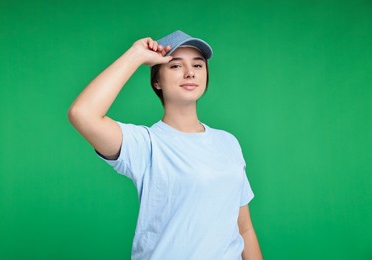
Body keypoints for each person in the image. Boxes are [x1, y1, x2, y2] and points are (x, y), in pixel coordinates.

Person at [68, 30, 263, 260]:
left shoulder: (228, 142)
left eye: (198, 65)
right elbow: (82, 114)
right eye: (175, 65)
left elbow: (245, 229)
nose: (190, 73)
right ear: (157, 82)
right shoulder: (146, 145)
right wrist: (135, 55)